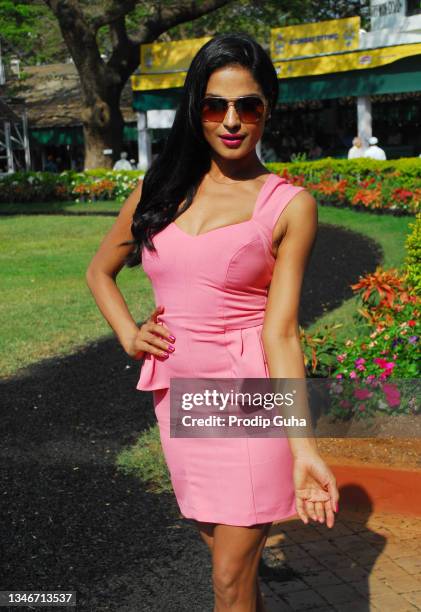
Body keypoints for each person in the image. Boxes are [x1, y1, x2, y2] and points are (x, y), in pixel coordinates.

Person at [86, 33, 339, 611]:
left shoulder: (288, 205)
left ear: (267, 109)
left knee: (227, 577)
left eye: (247, 106)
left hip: (247, 398)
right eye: (214, 105)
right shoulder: (158, 189)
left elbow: (281, 332)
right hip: (180, 397)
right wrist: (129, 333)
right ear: (195, 108)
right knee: (233, 570)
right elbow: (100, 272)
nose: (231, 121)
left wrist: (303, 448)